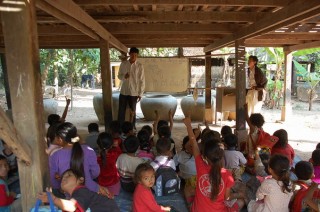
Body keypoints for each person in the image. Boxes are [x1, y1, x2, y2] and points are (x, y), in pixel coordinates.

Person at [183, 117, 245, 212]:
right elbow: (227, 198)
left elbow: (193, 142)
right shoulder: (227, 175)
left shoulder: (200, 165)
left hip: (197, 210)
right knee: (241, 201)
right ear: (222, 155)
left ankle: (190, 206)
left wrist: (188, 125)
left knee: (187, 189)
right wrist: (238, 195)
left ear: (205, 157)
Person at [49, 122, 104, 196]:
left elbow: (54, 181)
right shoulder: (89, 150)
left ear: (60, 139)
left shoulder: (55, 155)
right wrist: (87, 177)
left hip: (69, 194)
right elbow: (95, 172)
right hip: (91, 189)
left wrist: (61, 187)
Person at [38, 169, 119, 212]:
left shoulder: (81, 191)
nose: (64, 178)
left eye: (69, 175)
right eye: (62, 177)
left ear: (81, 179)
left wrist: (53, 199)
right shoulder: (78, 194)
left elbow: (72, 206)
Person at [118, 47, 145, 129]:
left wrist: (140, 94)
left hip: (134, 93)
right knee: (121, 111)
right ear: (129, 54)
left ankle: (132, 127)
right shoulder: (123, 64)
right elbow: (119, 76)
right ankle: (120, 127)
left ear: (137, 56)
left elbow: (142, 80)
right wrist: (124, 77)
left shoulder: (140, 66)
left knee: (133, 111)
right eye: (132, 54)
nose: (134, 56)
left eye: (135, 55)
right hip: (124, 91)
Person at [173, 136, 196, 206]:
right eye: (189, 146)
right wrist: (177, 174)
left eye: (192, 146)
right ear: (184, 146)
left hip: (197, 180)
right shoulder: (179, 155)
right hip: (185, 180)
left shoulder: (199, 155)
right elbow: (172, 166)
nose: (191, 147)